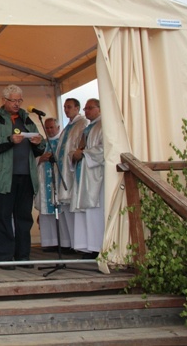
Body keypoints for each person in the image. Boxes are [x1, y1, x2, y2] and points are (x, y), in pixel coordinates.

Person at [0, 84, 46, 270]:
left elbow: (38, 151)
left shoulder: (27, 120)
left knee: (24, 217)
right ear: (4, 101)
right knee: (3, 216)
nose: (17, 104)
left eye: (19, 100)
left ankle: (23, 256)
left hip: (26, 176)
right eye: (13, 100)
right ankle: (5, 257)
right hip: (4, 177)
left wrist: (38, 143)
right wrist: (10, 141)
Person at [54, 98, 89, 252]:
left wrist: (72, 156)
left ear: (77, 107)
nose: (66, 110)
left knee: (75, 208)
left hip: (74, 172)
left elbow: (80, 147)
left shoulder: (82, 124)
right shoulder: (68, 127)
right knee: (66, 208)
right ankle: (71, 243)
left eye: (69, 107)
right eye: (65, 107)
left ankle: (81, 245)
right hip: (64, 172)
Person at [70, 98, 104, 259]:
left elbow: (105, 149)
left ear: (99, 108)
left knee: (95, 211)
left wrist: (84, 153)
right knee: (84, 210)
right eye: (85, 108)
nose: (86, 111)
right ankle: (87, 247)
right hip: (84, 174)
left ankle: (97, 247)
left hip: (96, 175)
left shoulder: (104, 125)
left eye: (90, 108)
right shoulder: (88, 127)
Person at [34, 117, 72, 252]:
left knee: (61, 212)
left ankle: (66, 243)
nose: (49, 130)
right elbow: (32, 159)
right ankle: (50, 242)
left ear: (58, 127)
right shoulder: (41, 144)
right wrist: (40, 159)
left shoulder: (63, 142)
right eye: (47, 128)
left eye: (51, 127)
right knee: (46, 212)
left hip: (58, 181)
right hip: (44, 181)